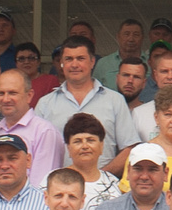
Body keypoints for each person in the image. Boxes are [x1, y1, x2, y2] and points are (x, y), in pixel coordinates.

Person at [38, 38, 139, 169]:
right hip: (58, 186)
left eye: (80, 58)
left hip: (103, 186)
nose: (74, 65)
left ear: (92, 62)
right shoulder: (45, 104)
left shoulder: (115, 100)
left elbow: (129, 148)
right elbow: (37, 151)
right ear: (62, 63)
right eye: (69, 59)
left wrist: (101, 177)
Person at [0, 68, 65, 184]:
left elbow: (42, 187)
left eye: (12, 93)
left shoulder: (45, 132)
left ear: (29, 95)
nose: (5, 99)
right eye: (1, 93)